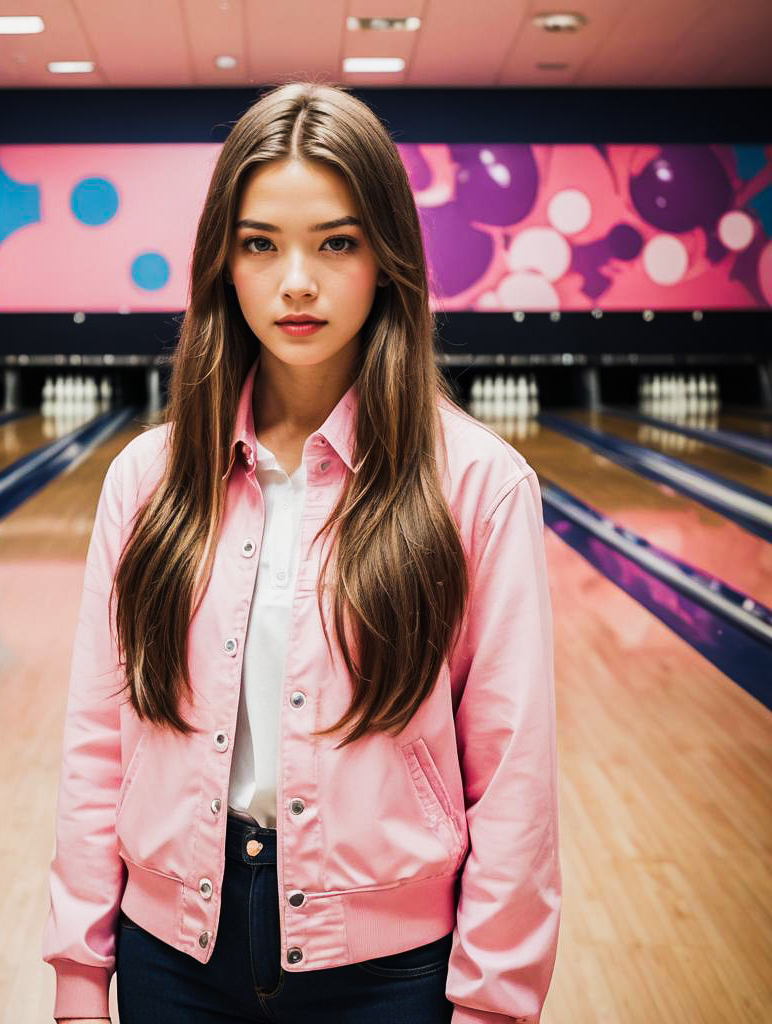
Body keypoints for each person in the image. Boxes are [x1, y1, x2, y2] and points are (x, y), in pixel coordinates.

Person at [43, 80, 561, 1024]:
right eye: (259, 244)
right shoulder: (146, 481)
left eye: (336, 242)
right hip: (172, 952)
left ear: (387, 258)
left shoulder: (478, 486)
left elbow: (515, 780)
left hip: (389, 973)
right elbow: (96, 746)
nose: (295, 281)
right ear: (222, 263)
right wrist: (81, 971)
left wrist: (492, 1005)